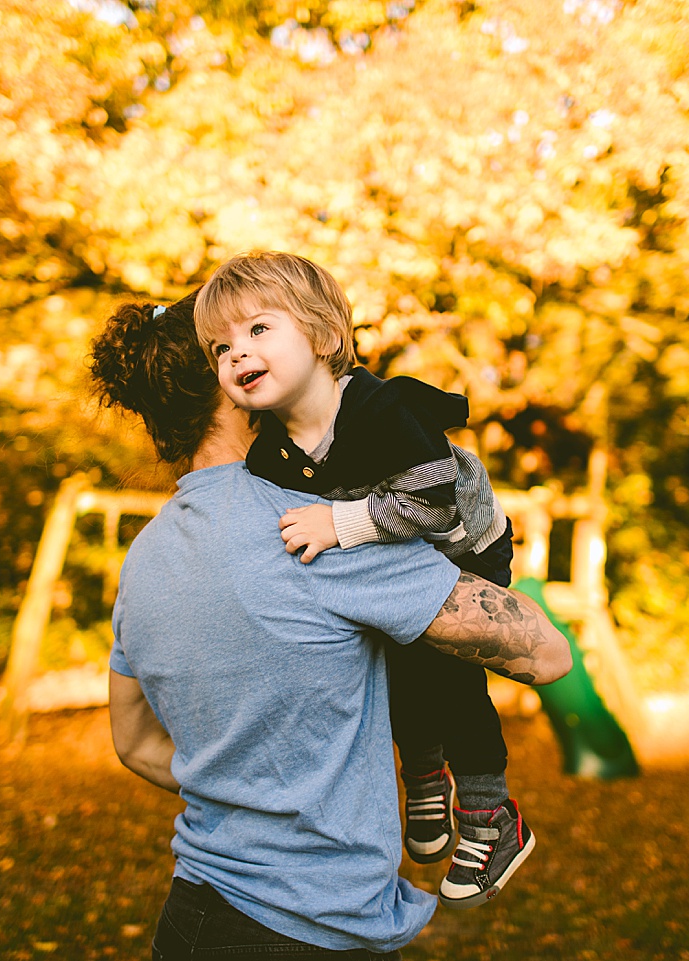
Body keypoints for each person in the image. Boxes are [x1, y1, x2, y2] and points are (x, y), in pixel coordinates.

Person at [90, 291, 572, 958]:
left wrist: (250, 788)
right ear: (231, 386)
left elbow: (135, 741)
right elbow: (546, 653)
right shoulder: (315, 531)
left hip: (193, 919)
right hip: (314, 931)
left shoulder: (142, 559)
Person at [193, 251, 528, 908]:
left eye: (258, 330)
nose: (236, 353)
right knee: (387, 662)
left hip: (463, 547)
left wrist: (339, 523)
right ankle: (424, 770)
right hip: (391, 559)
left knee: (450, 670)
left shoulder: (383, 408)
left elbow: (434, 505)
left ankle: (494, 813)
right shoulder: (272, 451)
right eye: (220, 346)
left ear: (321, 334)